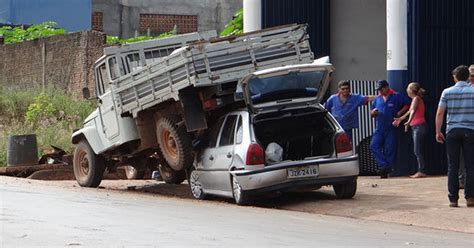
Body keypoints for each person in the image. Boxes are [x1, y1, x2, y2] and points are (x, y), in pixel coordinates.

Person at [435, 65, 474, 208]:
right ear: (468, 77)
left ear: (455, 77)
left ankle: (453, 199)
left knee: (453, 165)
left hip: (452, 131)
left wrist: (438, 131)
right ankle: (470, 198)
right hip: (470, 131)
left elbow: (440, 113)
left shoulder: (447, 92)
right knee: (471, 165)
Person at [370, 80, 410, 178]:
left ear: (387, 87)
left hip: (391, 127)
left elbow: (408, 104)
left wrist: (400, 112)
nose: (379, 91)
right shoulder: (377, 99)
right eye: (378, 90)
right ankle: (385, 165)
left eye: (381, 89)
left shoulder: (396, 96)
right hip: (379, 127)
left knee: (390, 149)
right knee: (373, 146)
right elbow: (371, 111)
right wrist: (373, 113)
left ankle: (385, 170)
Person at [393, 82, 427, 178]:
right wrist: (401, 118)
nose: (407, 90)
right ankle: (421, 170)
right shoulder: (414, 100)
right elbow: (409, 111)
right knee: (418, 149)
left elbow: (412, 112)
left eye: (408, 88)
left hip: (419, 126)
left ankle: (421, 170)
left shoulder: (416, 99)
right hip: (416, 126)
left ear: (412, 90)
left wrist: (408, 122)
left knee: (417, 150)